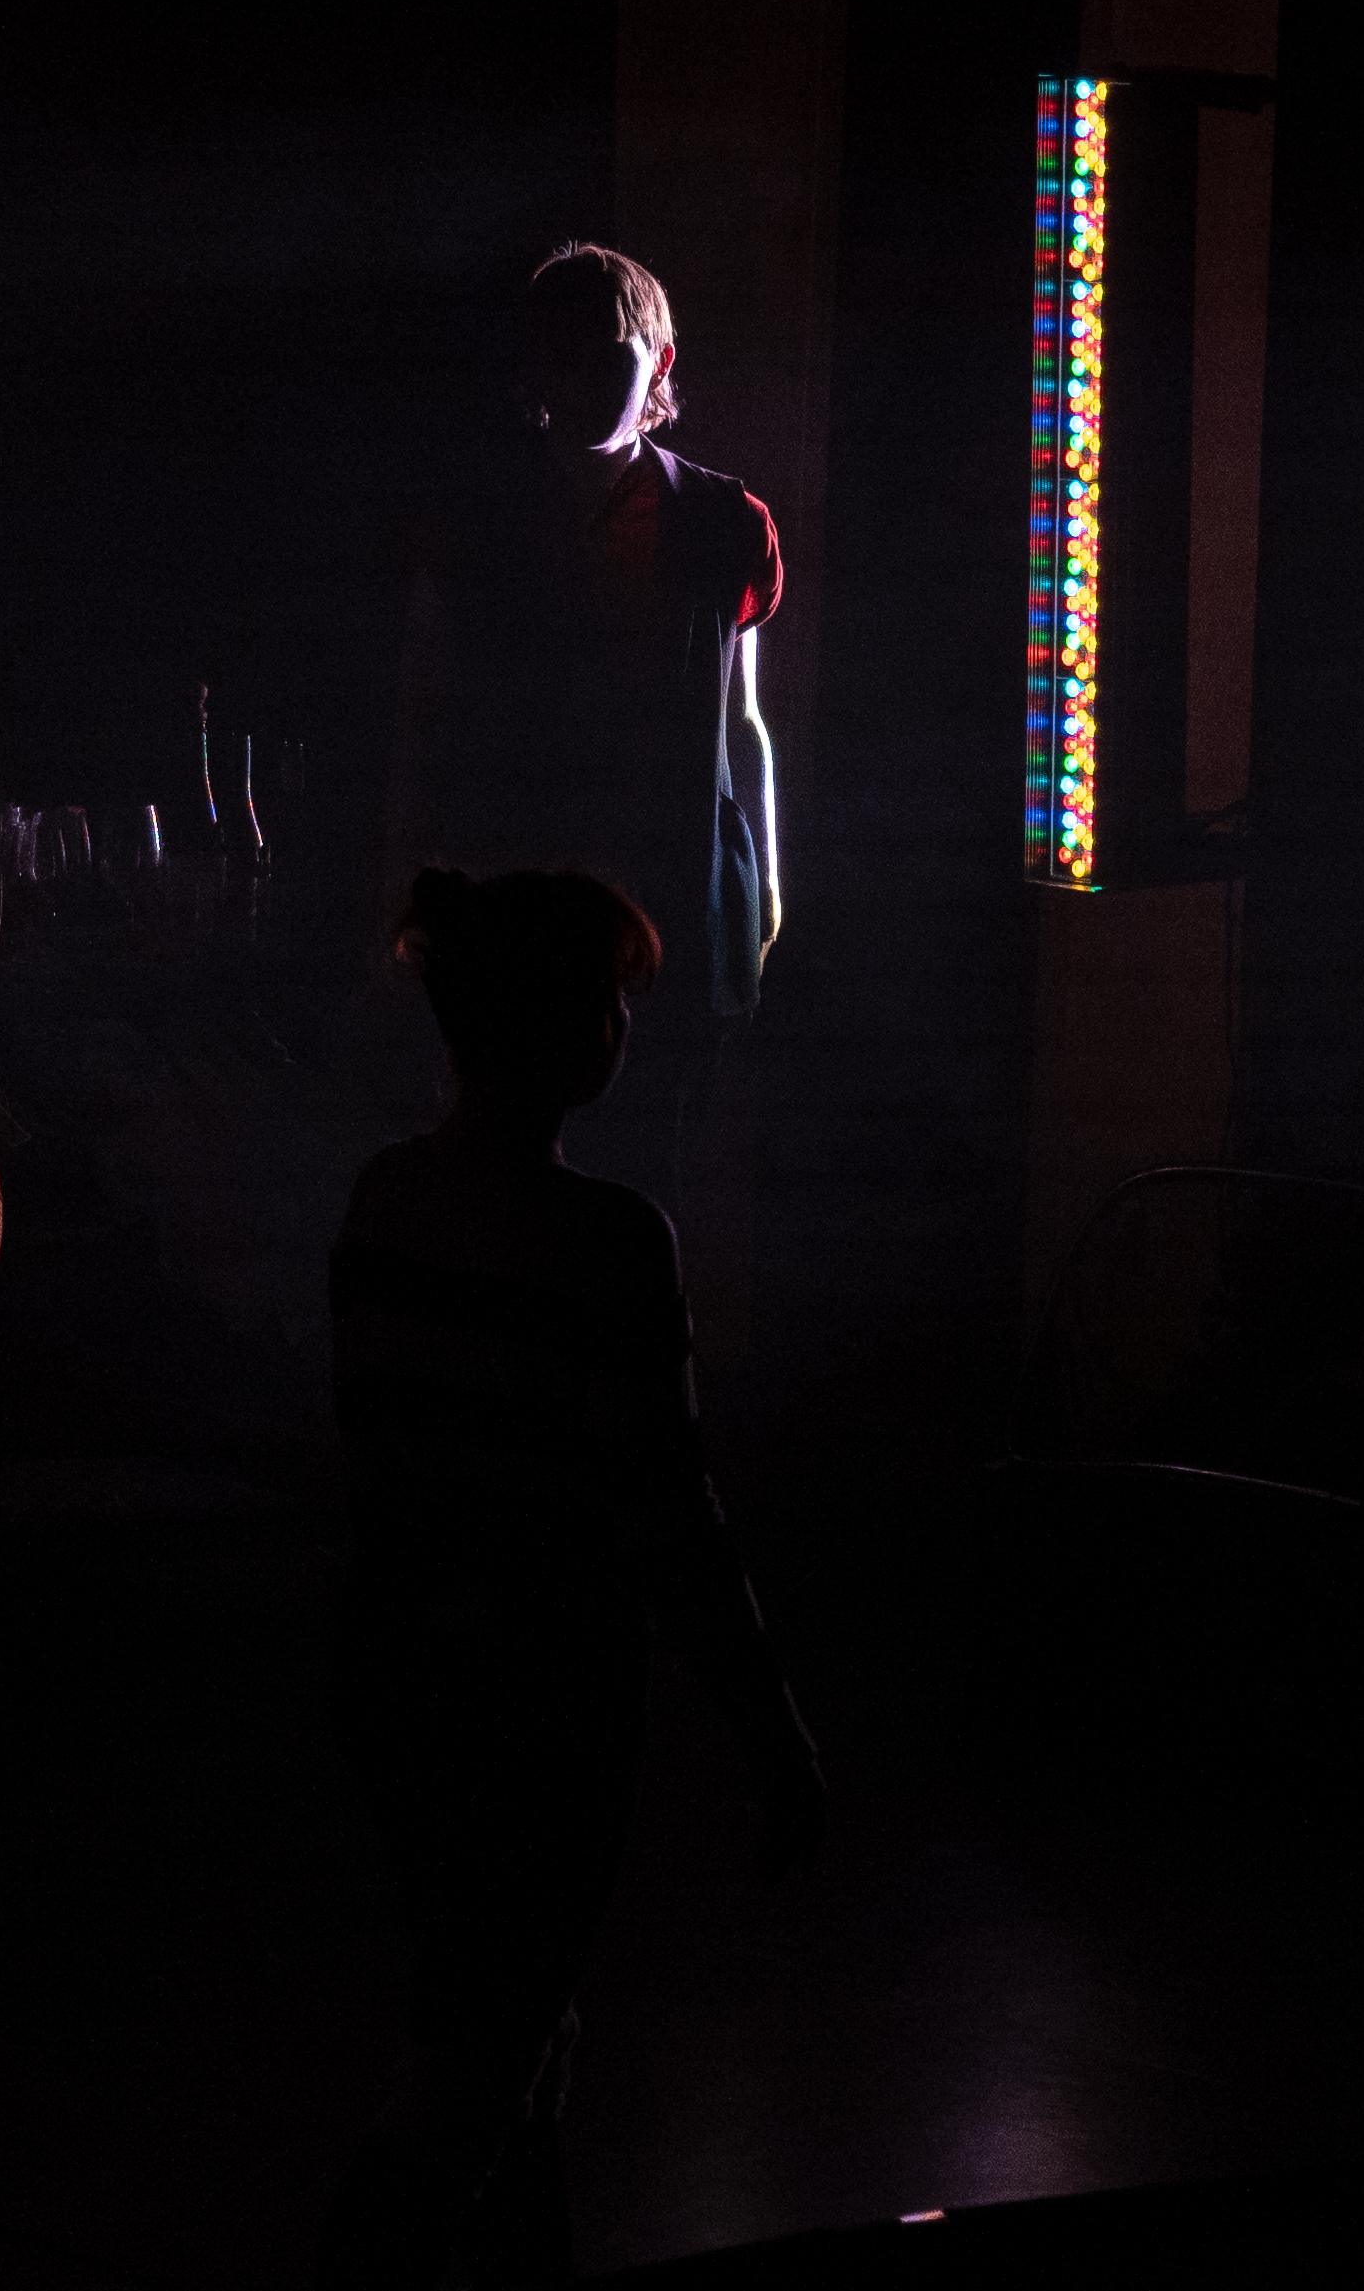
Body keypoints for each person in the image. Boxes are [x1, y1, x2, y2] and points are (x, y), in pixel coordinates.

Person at [320, 868, 821, 2288]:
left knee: (493, 2017)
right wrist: (772, 1727)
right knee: (484, 2052)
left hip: (397, 1673)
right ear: (560, 1026)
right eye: (609, 997)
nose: (626, 1023)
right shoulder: (610, 1242)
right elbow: (669, 1512)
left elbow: (372, 1460)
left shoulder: (383, 1195)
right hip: (546, 1694)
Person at [386, 243, 783, 1220]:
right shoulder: (473, 522)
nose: (582, 381)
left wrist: (763, 894)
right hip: (509, 897)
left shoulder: (724, 520)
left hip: (666, 903)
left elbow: (742, 723)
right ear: (534, 369)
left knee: (643, 1177)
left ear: (660, 361)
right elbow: (423, 714)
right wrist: (399, 889)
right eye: (561, 357)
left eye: (607, 356)